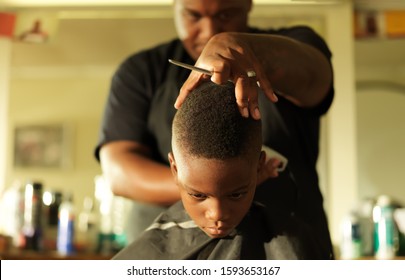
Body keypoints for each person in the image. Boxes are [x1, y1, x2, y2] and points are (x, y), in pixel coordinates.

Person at [95, 0, 334, 258]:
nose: (209, 30)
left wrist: (242, 48)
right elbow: (118, 173)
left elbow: (316, 78)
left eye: (226, 14)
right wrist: (216, 186)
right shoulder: (142, 72)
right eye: (193, 16)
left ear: (248, 4)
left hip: (288, 249)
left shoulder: (293, 46)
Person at [112, 81, 324, 260]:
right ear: (175, 169)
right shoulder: (150, 256)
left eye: (236, 194)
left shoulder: (294, 239)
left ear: (259, 167)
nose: (218, 214)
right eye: (198, 195)